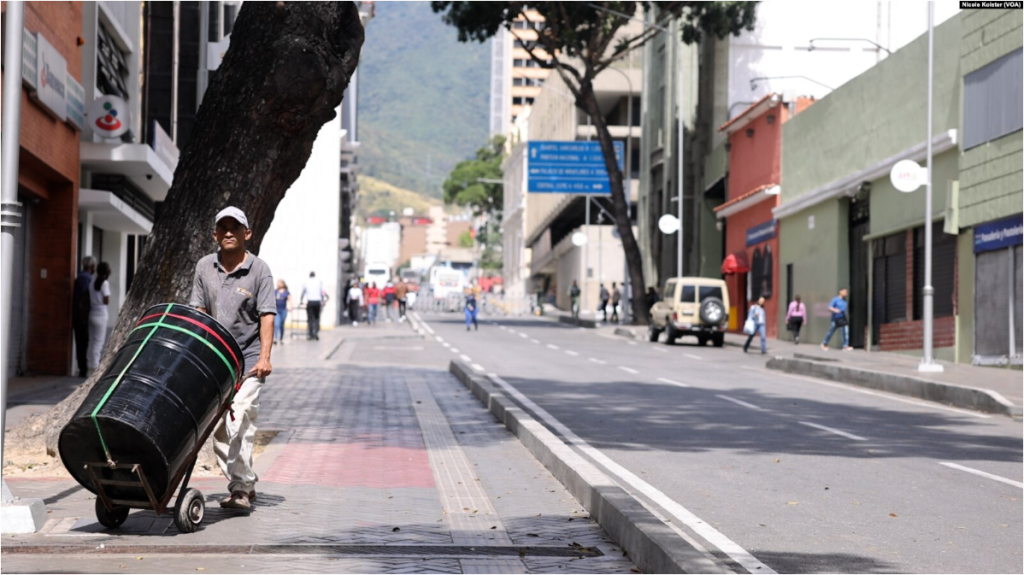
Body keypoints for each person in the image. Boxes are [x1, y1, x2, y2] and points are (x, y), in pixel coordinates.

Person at [190, 207, 275, 511]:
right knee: (232, 427)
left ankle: (240, 487)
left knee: (236, 419)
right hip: (217, 360)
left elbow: (267, 316)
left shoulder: (259, 270)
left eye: (235, 227)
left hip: (249, 360)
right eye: (222, 228)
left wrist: (264, 358)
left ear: (246, 233)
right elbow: (198, 311)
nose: (228, 232)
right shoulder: (204, 267)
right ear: (215, 234)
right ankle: (243, 485)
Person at [87, 262, 112, 374]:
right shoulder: (105, 283)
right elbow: (106, 300)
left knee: (92, 341)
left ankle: (90, 366)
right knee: (98, 342)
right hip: (101, 315)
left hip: (91, 313)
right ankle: (95, 367)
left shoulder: (92, 282)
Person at [73, 256, 96, 377]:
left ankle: (82, 367)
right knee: (84, 343)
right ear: (92, 266)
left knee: (81, 342)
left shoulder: (81, 277)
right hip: (82, 317)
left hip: (78, 316)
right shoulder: (86, 279)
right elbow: (84, 298)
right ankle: (83, 368)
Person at [300, 271, 327, 340]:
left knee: (310, 318)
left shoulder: (306, 282)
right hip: (317, 302)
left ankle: (311, 333)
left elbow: (303, 292)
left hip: (310, 302)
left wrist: (301, 300)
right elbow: (322, 292)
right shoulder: (318, 282)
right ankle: (316, 332)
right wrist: (323, 300)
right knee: (317, 317)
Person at [274, 280, 291, 344]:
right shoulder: (275, 291)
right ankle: (275, 338)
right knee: (276, 324)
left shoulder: (286, 292)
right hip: (277, 310)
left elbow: (290, 299)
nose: (278, 284)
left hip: (283, 310)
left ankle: (281, 338)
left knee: (281, 324)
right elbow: (272, 299)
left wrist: (290, 307)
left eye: (279, 283)